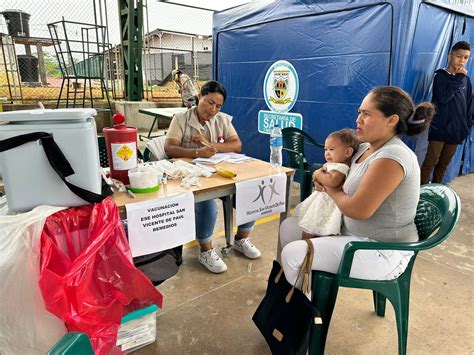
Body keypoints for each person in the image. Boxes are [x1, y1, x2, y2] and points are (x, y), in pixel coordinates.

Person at [280, 86, 435, 286]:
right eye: (359, 112)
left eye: (367, 114)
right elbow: (328, 169)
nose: (358, 120)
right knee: (288, 227)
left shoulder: (393, 157)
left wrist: (331, 188)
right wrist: (320, 176)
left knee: (294, 255)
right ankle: (303, 295)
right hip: (352, 234)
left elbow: (357, 210)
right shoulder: (363, 148)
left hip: (381, 250)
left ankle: (305, 312)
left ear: (392, 120)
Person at [164, 80, 261, 274]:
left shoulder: (223, 120)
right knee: (207, 203)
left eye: (218, 106)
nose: (213, 109)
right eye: (209, 102)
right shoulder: (181, 119)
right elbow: (170, 148)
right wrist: (198, 152)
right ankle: (206, 251)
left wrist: (213, 147)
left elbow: (237, 145)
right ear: (200, 96)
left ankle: (241, 239)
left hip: (219, 173)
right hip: (191, 177)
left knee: (251, 194)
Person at [420, 40, 473, 184]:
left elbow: (469, 105)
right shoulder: (441, 76)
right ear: (450, 57)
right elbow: (443, 98)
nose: (462, 60)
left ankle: (436, 192)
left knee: (443, 165)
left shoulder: (466, 80)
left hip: (456, 130)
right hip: (440, 128)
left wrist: (466, 126)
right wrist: (458, 78)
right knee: (430, 162)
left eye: (466, 57)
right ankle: (422, 193)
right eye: (459, 56)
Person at [295, 129, 359, 239]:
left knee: (310, 233)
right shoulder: (335, 164)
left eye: (332, 149)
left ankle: (306, 252)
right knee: (310, 231)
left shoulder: (341, 167)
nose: (327, 153)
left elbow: (333, 181)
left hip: (327, 206)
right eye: (326, 149)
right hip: (322, 203)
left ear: (348, 152)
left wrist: (318, 174)